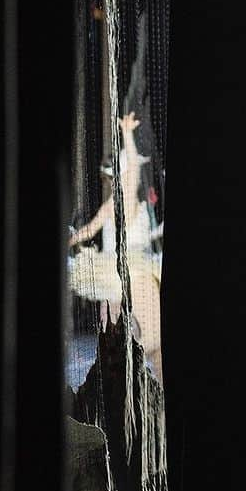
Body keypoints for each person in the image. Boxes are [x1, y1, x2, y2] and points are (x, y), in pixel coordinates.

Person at [69, 110, 164, 379]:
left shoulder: (126, 203)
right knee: (113, 322)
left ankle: (143, 373)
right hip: (117, 271)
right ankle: (119, 370)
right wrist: (71, 238)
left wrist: (127, 135)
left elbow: (133, 168)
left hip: (131, 272)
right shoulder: (117, 204)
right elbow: (89, 229)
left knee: (146, 334)